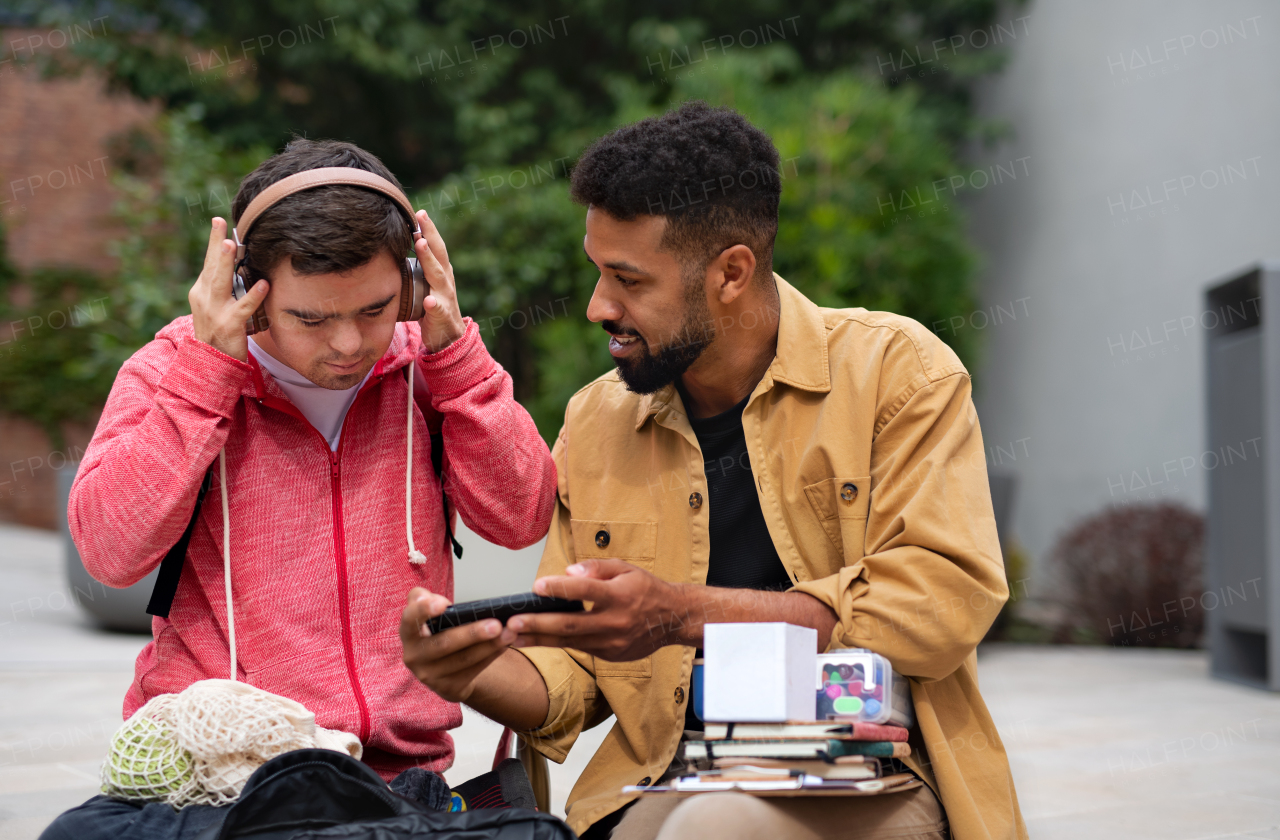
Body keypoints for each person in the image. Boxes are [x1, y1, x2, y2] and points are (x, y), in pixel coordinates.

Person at [401, 102, 1028, 840]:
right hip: (658, 782)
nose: (600, 305)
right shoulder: (597, 420)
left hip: (866, 777)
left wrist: (682, 613)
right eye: (597, 271)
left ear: (731, 272)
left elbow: (944, 601)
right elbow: (568, 681)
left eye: (629, 279)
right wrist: (463, 670)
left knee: (715, 828)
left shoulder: (897, 372)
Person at [65, 139, 556, 783]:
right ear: (247, 289)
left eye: (375, 309)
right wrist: (206, 375)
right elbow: (109, 552)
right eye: (311, 318)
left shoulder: (432, 370)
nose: (349, 343)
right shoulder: (171, 373)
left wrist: (458, 359)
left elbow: (522, 517)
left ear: (413, 284)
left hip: (398, 778)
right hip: (219, 773)